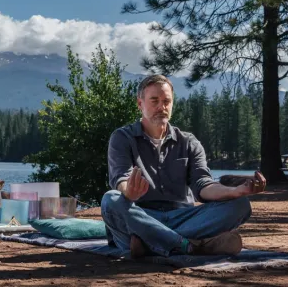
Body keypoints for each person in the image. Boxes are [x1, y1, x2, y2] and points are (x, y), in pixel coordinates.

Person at [102, 74, 266, 258]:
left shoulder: (189, 142)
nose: (161, 107)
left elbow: (203, 186)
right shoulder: (122, 138)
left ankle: (153, 244)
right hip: (141, 215)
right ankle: (189, 245)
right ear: (140, 103)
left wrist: (235, 192)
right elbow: (121, 180)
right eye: (154, 100)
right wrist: (128, 192)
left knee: (240, 205)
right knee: (111, 200)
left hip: (183, 218)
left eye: (166, 101)